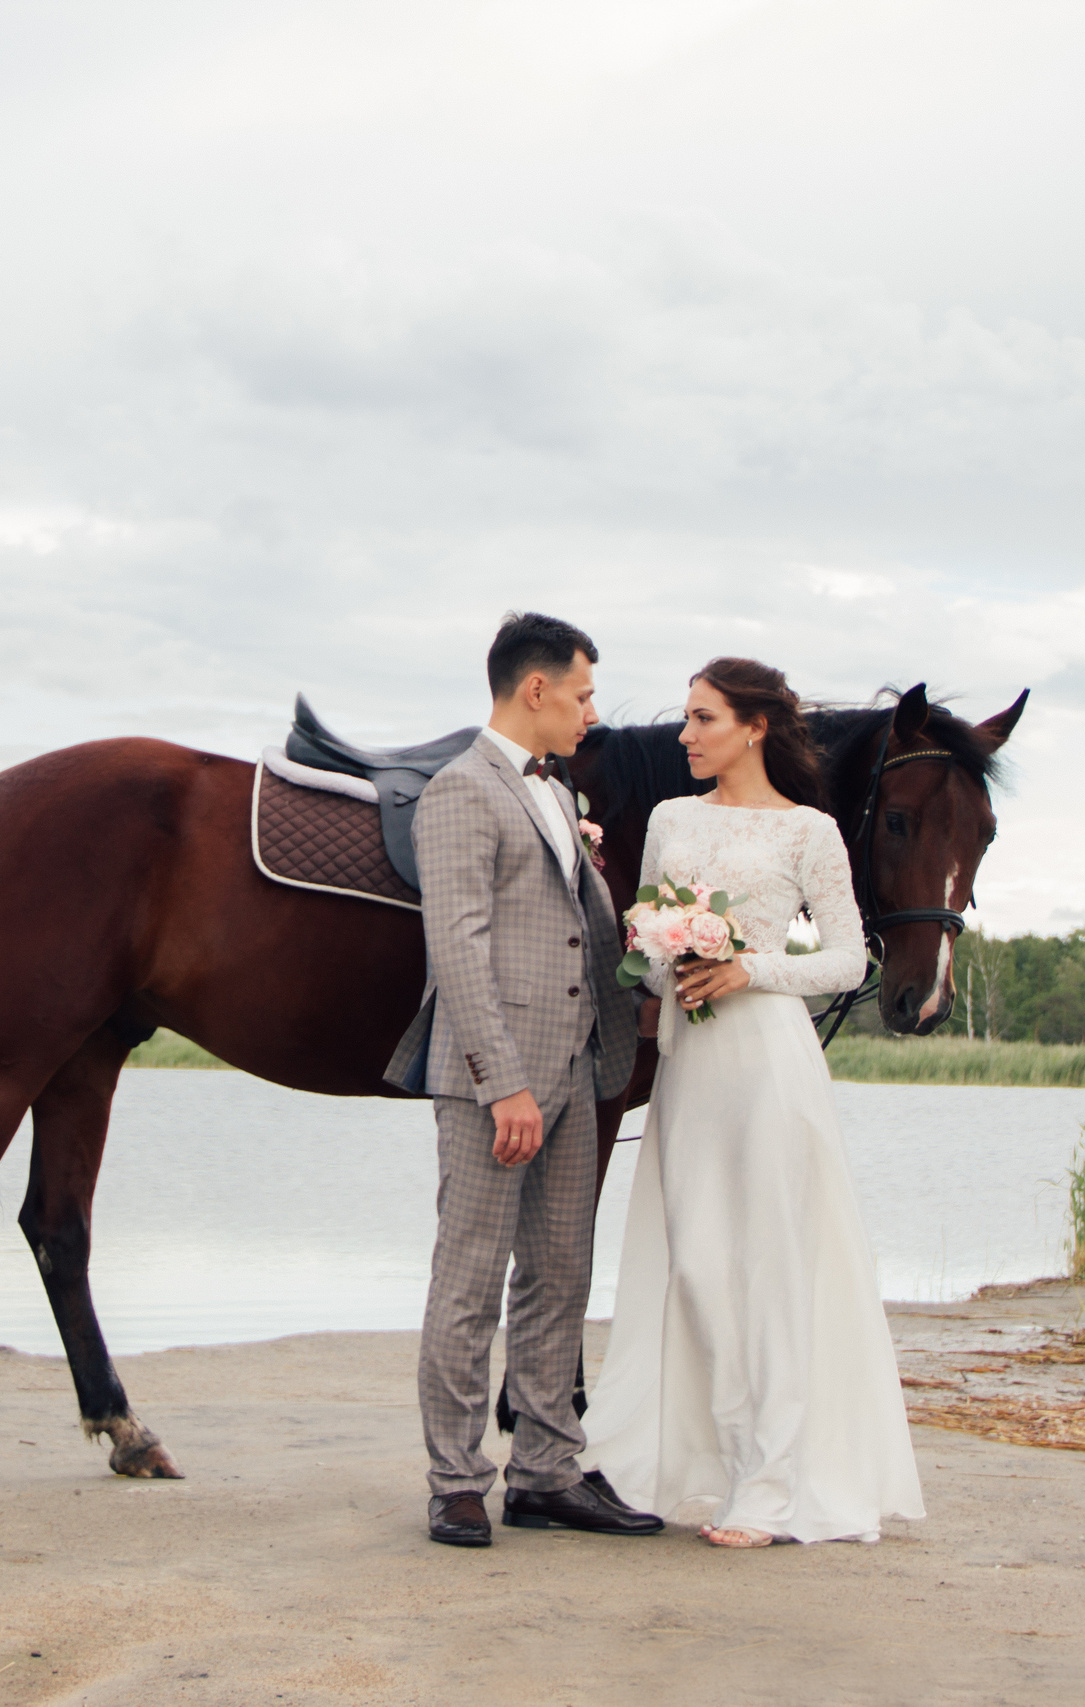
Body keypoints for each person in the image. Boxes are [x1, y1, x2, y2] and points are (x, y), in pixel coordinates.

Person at [581, 657, 926, 1547]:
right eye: (687, 719)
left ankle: (768, 1486)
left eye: (702, 719)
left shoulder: (809, 832)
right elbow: (647, 945)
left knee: (770, 1266)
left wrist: (746, 965)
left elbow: (850, 960)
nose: (686, 735)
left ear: (756, 726)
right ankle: (720, 1458)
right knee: (695, 1262)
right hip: (691, 1061)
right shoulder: (669, 818)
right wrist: (671, 953)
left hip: (772, 1062)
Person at [384, 612, 660, 1548]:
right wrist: (502, 1083)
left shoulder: (557, 787)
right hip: (494, 1086)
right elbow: (455, 945)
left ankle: (545, 1469)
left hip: (576, 1072)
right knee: (468, 1281)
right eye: (583, 692)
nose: (592, 709)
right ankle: (456, 1478)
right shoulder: (461, 790)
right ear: (534, 689)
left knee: (558, 1278)